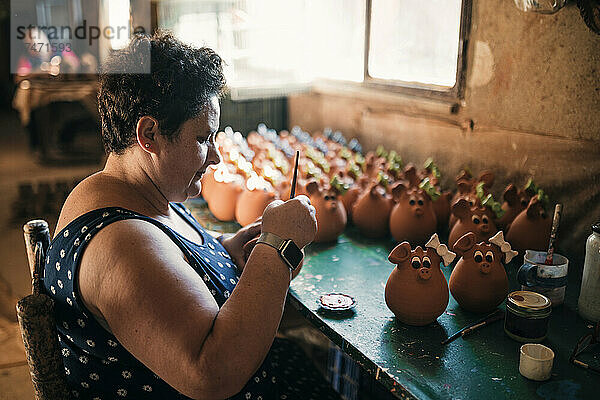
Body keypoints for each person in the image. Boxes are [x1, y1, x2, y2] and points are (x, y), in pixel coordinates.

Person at [43, 30, 339, 400]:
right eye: (203, 139)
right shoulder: (120, 244)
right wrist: (277, 249)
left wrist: (223, 253)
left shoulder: (128, 189)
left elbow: (167, 265)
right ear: (149, 134)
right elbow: (211, 373)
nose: (214, 156)